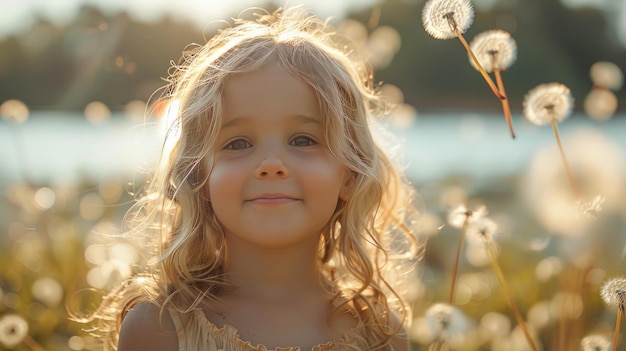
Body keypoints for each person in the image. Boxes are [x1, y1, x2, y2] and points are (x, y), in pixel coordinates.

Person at [83, 7, 422, 351]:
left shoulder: (381, 335)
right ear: (198, 176)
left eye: (303, 140)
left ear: (350, 173)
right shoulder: (160, 328)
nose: (271, 165)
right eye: (238, 143)